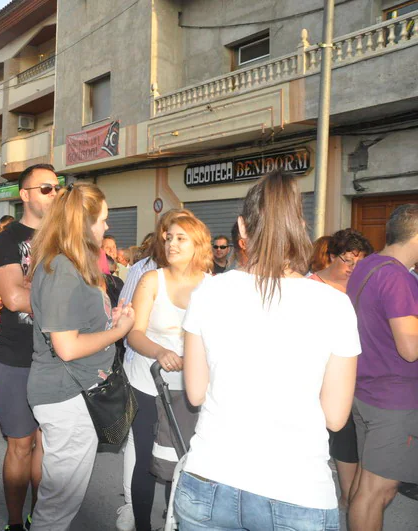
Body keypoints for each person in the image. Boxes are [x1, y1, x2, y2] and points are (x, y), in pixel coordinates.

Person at [175, 170, 360, 530]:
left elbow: (195, 394)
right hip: (298, 492)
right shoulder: (334, 304)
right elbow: (336, 417)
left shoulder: (209, 292)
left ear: (242, 230)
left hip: (209, 480)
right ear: (300, 226)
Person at [27, 182, 135, 530]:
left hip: (73, 393)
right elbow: (67, 347)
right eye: (102, 220)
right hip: (68, 395)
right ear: (83, 223)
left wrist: (111, 321)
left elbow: (78, 330)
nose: (106, 227)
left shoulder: (71, 264)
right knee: (57, 508)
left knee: (59, 501)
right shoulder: (63, 268)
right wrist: (118, 332)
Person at [124, 215, 211, 531]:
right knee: (147, 461)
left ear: (198, 244)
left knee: (191, 461)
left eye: (181, 238)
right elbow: (134, 333)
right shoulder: (151, 280)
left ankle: (178, 521)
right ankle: (142, 525)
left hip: (193, 388)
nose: (172, 244)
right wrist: (160, 352)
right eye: (169, 237)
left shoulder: (212, 286)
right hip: (148, 383)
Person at [0, 164, 59, 531]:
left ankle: (40, 518)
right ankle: (15, 523)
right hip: (17, 358)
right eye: (46, 188)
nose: (55, 193)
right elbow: (14, 298)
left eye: (57, 187)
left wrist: (40, 292)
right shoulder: (6, 241)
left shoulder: (67, 237)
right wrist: (62, 296)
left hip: (59, 356)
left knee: (46, 445)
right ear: (25, 195)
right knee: (21, 444)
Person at [347, 204, 418, 531]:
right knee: (378, 491)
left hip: (368, 391)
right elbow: (410, 348)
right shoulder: (397, 277)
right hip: (393, 400)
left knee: (367, 486)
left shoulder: (369, 265)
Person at [307, 228, 373, 510]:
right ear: (331, 257)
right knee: (341, 474)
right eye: (348, 260)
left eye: (360, 263)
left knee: (363, 475)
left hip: (363, 386)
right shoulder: (309, 288)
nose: (353, 268)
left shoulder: (363, 288)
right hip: (322, 388)